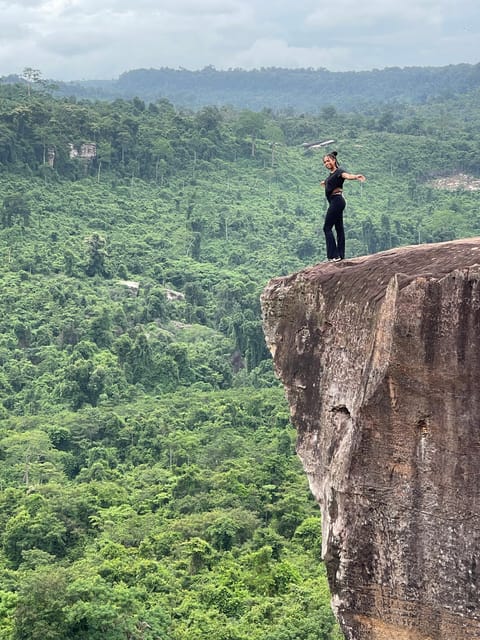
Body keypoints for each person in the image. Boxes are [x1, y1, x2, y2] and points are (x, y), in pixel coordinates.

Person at [320, 151, 365, 261]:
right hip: (336, 201)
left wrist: (355, 176)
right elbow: (331, 181)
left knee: (327, 228)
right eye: (325, 162)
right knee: (339, 228)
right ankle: (340, 255)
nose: (326, 163)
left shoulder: (339, 171)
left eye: (328, 161)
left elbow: (347, 176)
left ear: (334, 160)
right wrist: (325, 183)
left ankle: (334, 256)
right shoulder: (331, 175)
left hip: (337, 201)